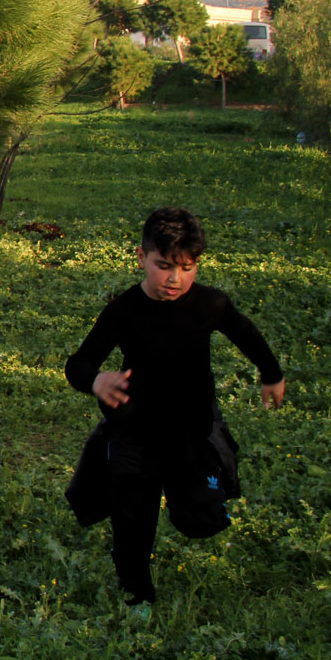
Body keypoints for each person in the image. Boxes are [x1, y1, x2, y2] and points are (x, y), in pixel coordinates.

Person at [64, 206, 286, 613]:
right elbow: (78, 363)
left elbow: (247, 335)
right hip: (135, 430)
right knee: (133, 518)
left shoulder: (210, 304)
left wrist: (271, 373)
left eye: (186, 267)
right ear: (140, 257)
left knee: (199, 520)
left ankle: (191, 504)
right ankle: (137, 592)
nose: (174, 279)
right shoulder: (125, 310)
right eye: (163, 265)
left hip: (190, 430)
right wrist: (96, 380)